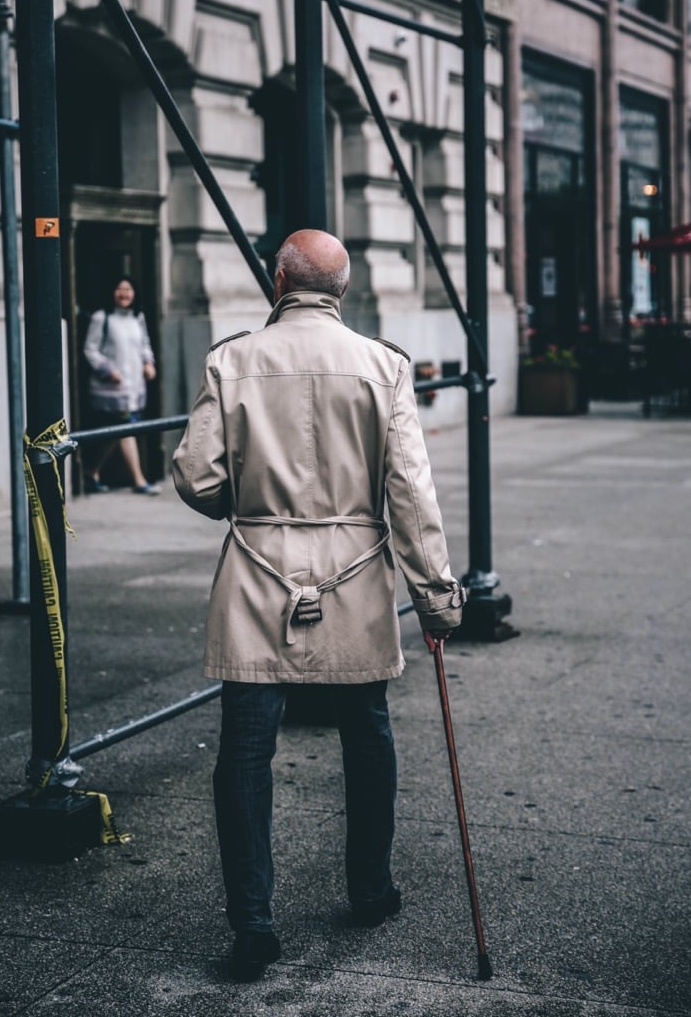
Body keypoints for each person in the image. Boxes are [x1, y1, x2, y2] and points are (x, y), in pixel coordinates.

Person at [172, 230, 464, 982]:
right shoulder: (383, 365)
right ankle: (369, 889)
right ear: (343, 288)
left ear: (277, 282)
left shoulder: (232, 359)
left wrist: (256, 503)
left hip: (257, 570)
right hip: (356, 570)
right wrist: (436, 599)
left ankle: (253, 924)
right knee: (366, 728)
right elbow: (410, 493)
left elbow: (197, 479)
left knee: (245, 743)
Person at [82, 276, 160, 495]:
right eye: (119, 289)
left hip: (134, 384)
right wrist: (108, 370)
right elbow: (90, 349)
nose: (124, 293)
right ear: (112, 293)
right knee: (126, 429)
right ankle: (139, 480)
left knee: (116, 432)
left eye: (128, 289)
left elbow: (144, 344)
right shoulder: (102, 317)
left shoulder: (138, 317)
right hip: (111, 386)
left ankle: (91, 472)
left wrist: (148, 363)